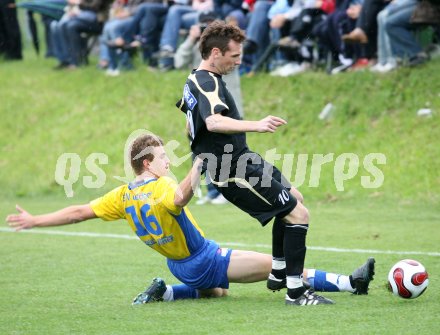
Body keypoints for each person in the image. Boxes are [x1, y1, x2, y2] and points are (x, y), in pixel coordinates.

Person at [6, 133, 376, 305]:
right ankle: (351, 283)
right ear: (147, 163)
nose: (169, 161)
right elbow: (180, 197)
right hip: (204, 259)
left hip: (178, 266)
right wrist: (200, 162)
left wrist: (36, 220)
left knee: (220, 293)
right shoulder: (162, 187)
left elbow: (77, 212)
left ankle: (165, 292)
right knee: (283, 268)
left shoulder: (123, 194)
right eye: (163, 157)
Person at [176, 21, 334, 305]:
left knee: (295, 198)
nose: (239, 61)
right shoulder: (207, 81)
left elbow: (191, 125)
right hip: (233, 169)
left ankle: (279, 270)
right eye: (234, 56)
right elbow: (212, 121)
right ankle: (296, 292)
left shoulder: (194, 79)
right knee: (299, 215)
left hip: (243, 159)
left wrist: (200, 150)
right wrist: (256, 125)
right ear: (215, 53)